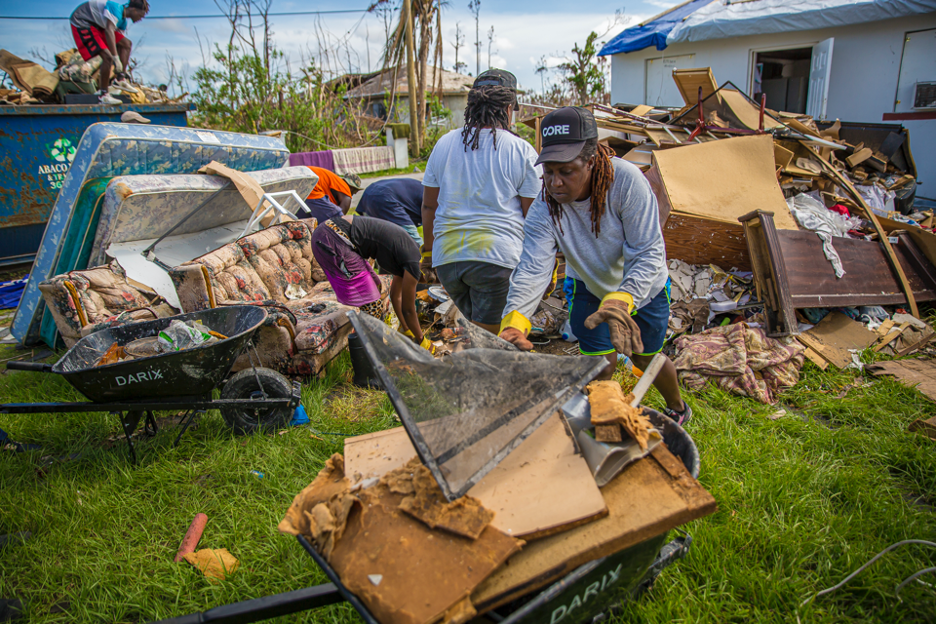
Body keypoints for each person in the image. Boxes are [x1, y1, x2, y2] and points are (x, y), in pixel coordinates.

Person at [498, 107, 692, 425]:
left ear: (590, 160)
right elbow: (533, 267)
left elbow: (647, 252)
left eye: (566, 171)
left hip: (643, 287)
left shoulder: (627, 184)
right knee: (599, 362)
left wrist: (623, 299)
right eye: (548, 171)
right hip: (591, 284)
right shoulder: (545, 204)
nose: (555, 182)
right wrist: (515, 322)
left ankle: (678, 408)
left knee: (644, 355)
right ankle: (602, 415)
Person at [421, 69, 540, 334]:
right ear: (508, 108)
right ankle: (480, 371)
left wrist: (429, 253)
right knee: (489, 339)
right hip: (496, 260)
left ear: (471, 105)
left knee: (475, 329)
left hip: (448, 261)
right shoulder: (520, 150)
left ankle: (468, 365)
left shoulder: (444, 144)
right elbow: (534, 218)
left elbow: (430, 205)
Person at [309, 215, 432, 352]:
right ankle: (372, 354)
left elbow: (396, 296)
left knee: (375, 287)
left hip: (330, 233)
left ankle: (374, 350)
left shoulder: (409, 257)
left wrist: (406, 329)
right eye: (431, 282)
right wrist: (422, 341)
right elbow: (408, 310)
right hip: (332, 238)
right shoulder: (413, 264)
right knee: (372, 304)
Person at [69, 0, 148, 104]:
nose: (140, 19)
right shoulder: (115, 8)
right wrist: (115, 58)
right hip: (82, 22)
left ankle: (120, 79)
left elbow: (116, 44)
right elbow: (109, 31)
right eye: (140, 15)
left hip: (97, 26)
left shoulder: (122, 22)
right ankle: (103, 95)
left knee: (126, 44)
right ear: (133, 9)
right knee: (108, 58)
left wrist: (121, 68)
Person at [355, 178, 424, 246]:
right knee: (414, 241)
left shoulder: (425, 188)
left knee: (374, 239)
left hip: (370, 191)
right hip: (386, 196)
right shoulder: (431, 196)